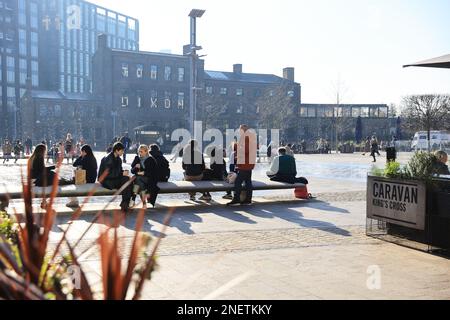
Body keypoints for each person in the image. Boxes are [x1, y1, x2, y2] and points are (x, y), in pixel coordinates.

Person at [98, 142, 133, 213]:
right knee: (126, 181)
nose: (123, 152)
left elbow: (117, 171)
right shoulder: (108, 158)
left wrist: (124, 173)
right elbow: (107, 174)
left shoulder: (118, 159)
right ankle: (125, 204)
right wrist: (122, 173)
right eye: (122, 151)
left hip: (113, 178)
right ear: (116, 150)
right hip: (106, 181)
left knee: (128, 180)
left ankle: (125, 204)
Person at [227, 125, 257, 206]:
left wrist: (236, 146)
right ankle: (248, 199)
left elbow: (245, 150)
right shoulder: (252, 136)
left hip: (244, 163)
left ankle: (237, 199)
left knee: (238, 182)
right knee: (248, 181)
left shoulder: (246, 137)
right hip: (249, 163)